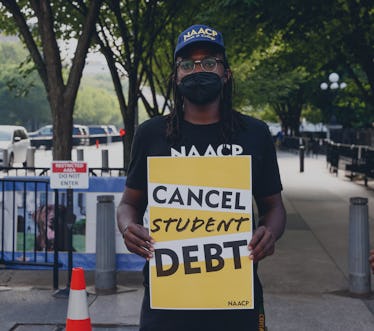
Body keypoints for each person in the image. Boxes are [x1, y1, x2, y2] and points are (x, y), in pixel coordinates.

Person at [117, 24, 287, 331]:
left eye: (209, 62)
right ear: (176, 75)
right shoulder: (151, 134)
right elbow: (129, 203)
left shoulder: (255, 134)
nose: (198, 70)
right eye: (187, 64)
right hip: (167, 299)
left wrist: (270, 233)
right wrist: (128, 227)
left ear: (226, 73)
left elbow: (274, 207)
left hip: (236, 299)